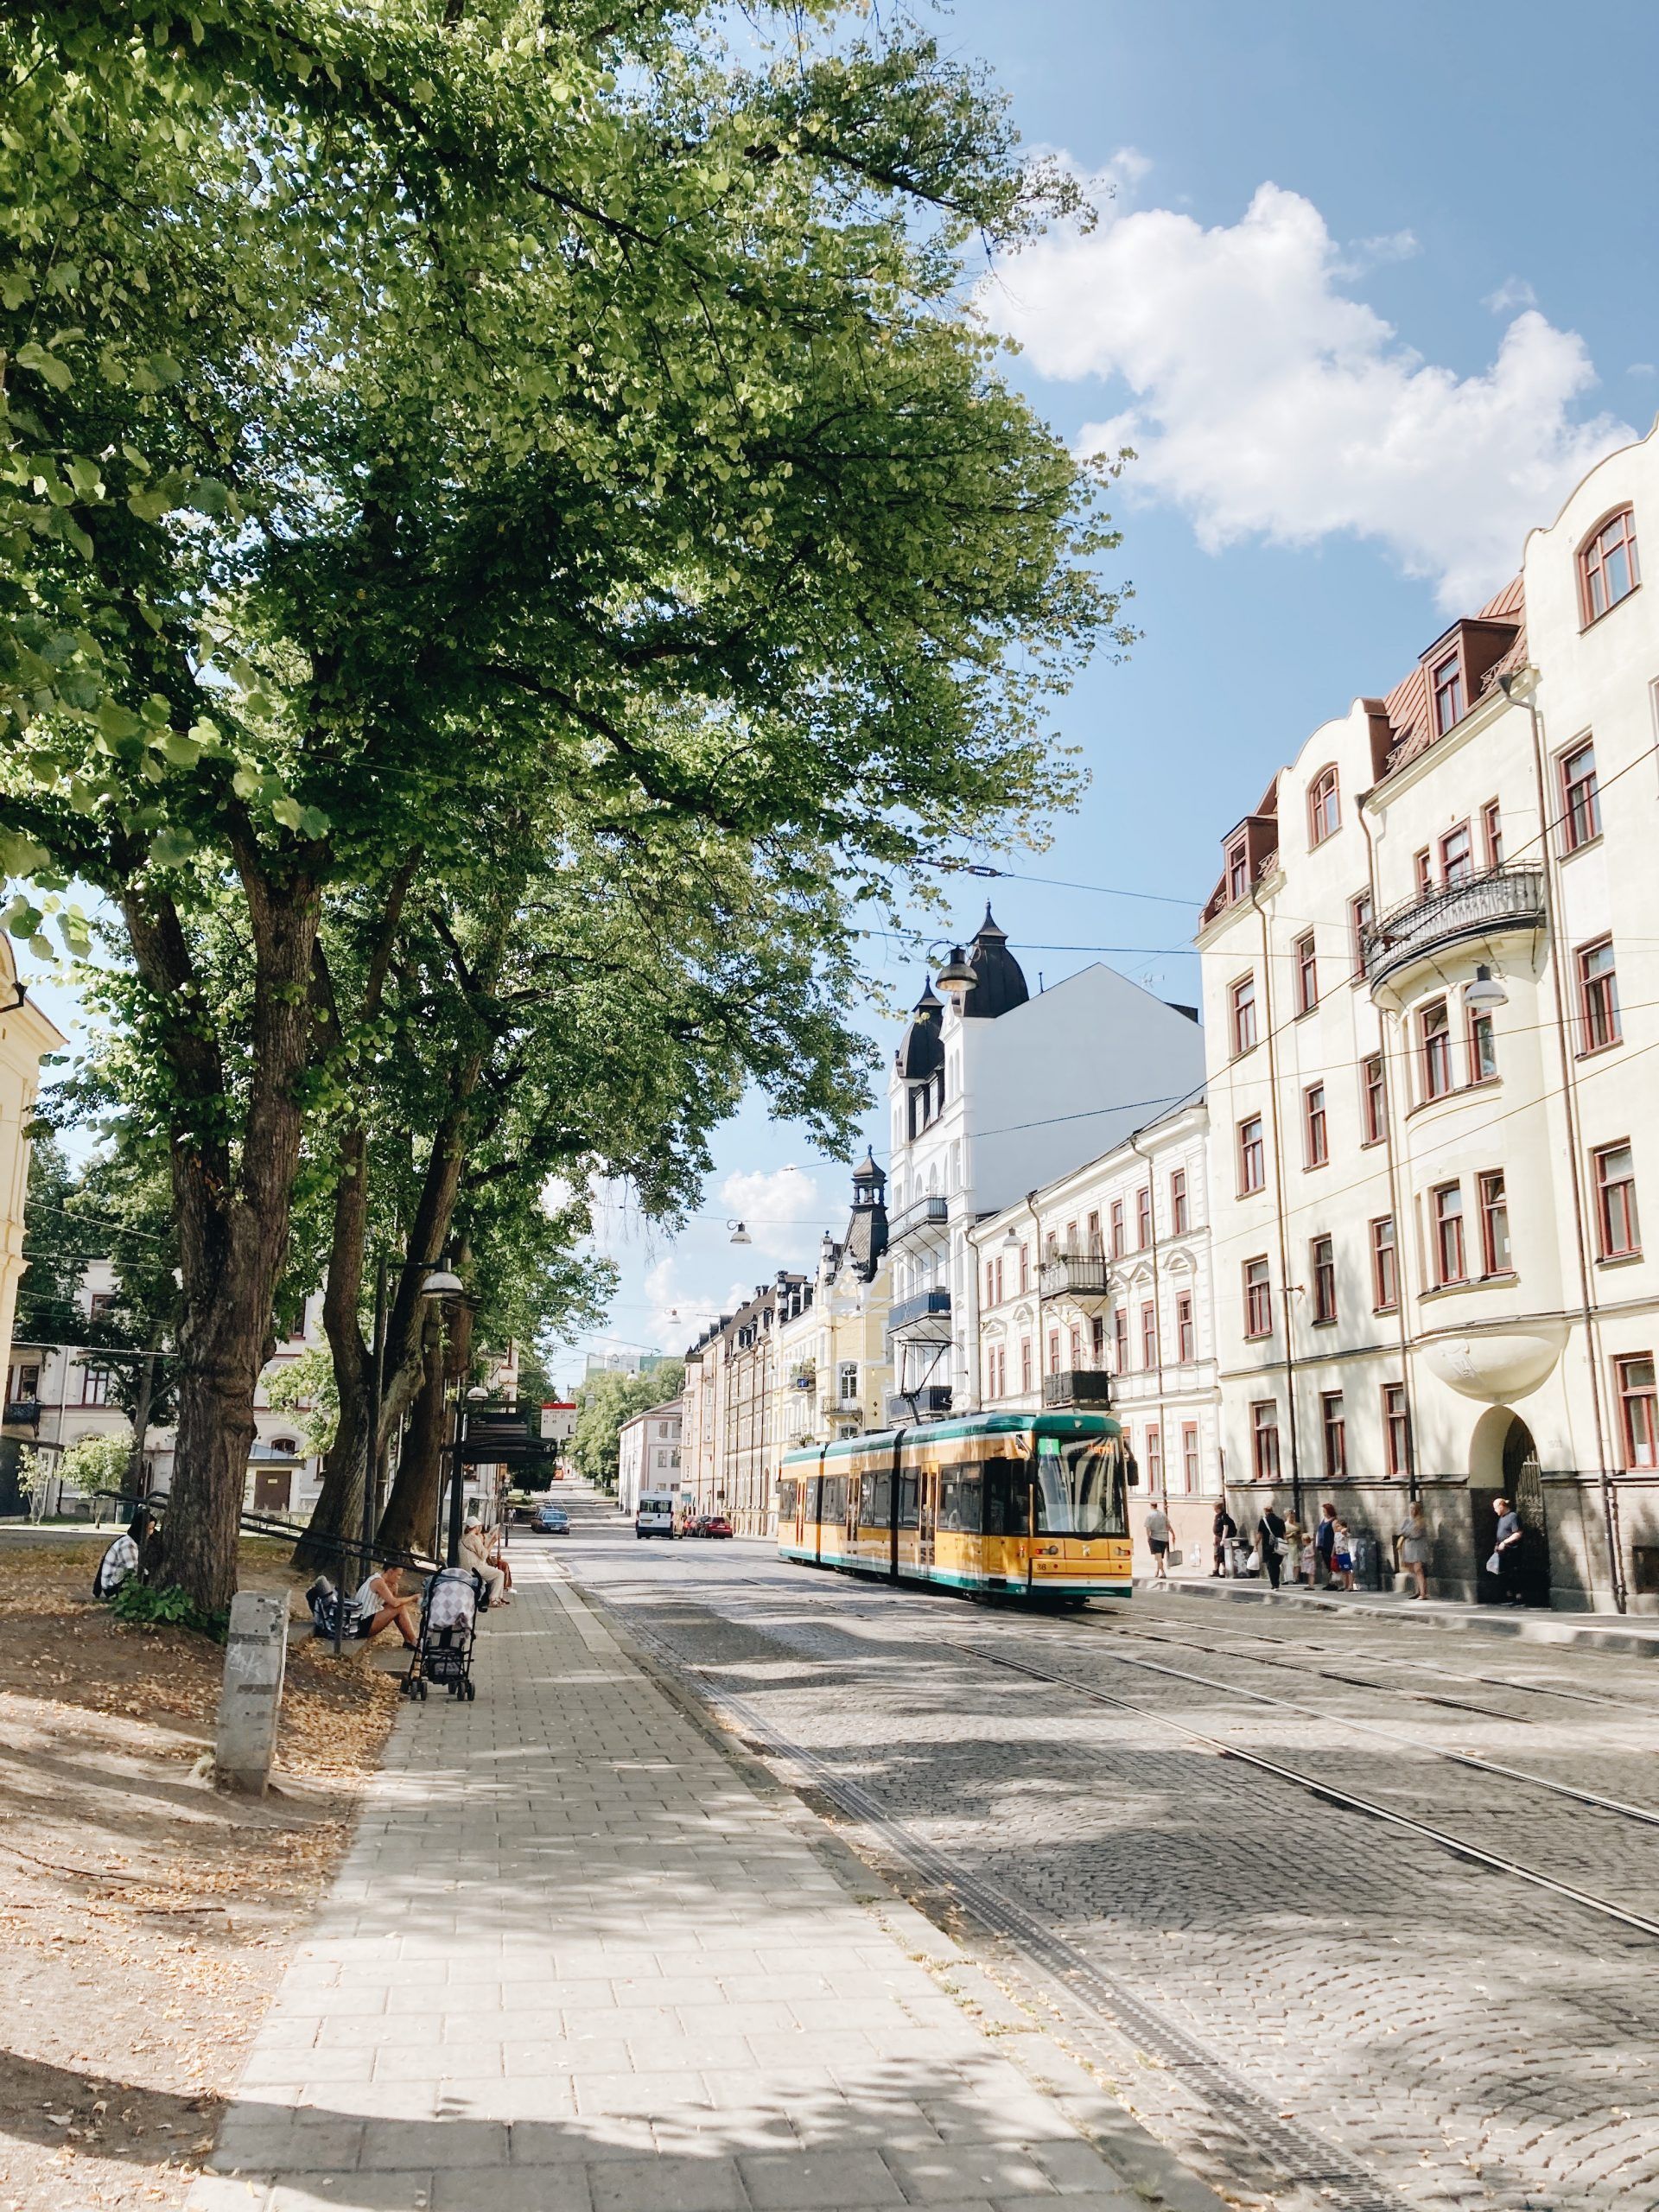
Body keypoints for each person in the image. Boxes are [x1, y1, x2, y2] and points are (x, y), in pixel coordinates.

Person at [353, 1564, 421, 1647]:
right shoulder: (378, 1582)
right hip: (362, 1623)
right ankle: (414, 1641)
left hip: (367, 1620)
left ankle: (409, 1640)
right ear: (391, 1572)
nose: (399, 1578)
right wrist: (413, 1598)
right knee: (399, 1607)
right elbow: (395, 1603)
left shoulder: (382, 1582)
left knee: (399, 1608)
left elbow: (388, 1605)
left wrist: (394, 1592)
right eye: (398, 1575)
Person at [93, 1507, 153, 1599]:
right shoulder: (128, 1544)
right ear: (140, 1528)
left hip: (116, 1579)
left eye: (152, 1528)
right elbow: (133, 1568)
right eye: (149, 1528)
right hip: (111, 1586)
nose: (151, 1532)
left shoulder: (131, 1540)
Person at [460, 1518, 509, 1607]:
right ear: (476, 1527)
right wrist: (493, 1541)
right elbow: (484, 1555)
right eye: (480, 1526)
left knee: (495, 1573)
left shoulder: (466, 1537)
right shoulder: (473, 1538)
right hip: (475, 1568)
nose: (481, 1527)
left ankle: (498, 1598)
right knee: (500, 1574)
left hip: (470, 1566)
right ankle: (493, 1599)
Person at [1492, 1495, 1525, 1605]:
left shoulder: (1513, 1516)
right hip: (1502, 1551)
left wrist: (1505, 1542)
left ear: (1502, 1506)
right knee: (1504, 1574)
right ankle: (1509, 1596)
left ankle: (1519, 1597)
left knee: (1514, 1573)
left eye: (1496, 1508)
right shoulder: (1501, 1518)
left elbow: (1518, 1533)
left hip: (1512, 1550)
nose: (1495, 1510)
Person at [1396, 1500, 1430, 1600]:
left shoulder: (1420, 1521)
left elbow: (1416, 1534)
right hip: (1409, 1548)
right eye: (1411, 1508)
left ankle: (1423, 1593)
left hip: (1418, 1548)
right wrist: (1407, 1532)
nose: (1412, 1510)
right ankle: (1417, 1591)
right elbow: (1402, 1531)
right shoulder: (1407, 1520)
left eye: (1414, 1508)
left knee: (1418, 1569)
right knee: (1413, 1571)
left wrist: (1407, 1533)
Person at [1256, 1499, 1287, 1590]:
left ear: (1266, 1512)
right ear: (1272, 1511)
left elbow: (1260, 1534)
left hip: (1268, 1546)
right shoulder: (1281, 1521)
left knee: (1270, 1565)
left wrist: (1256, 1545)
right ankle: (1276, 1583)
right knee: (1277, 1564)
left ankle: (1274, 1584)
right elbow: (1284, 1534)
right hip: (1279, 1546)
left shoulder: (1263, 1521)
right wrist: (1285, 1545)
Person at [1143, 1497, 1172, 1583]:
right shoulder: (1163, 1515)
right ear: (1157, 1506)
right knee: (1159, 1557)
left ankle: (1163, 1573)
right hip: (1164, 1538)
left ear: (1151, 1506)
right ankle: (1157, 1571)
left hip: (1155, 1538)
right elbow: (1168, 1526)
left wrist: (1148, 1537)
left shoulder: (1150, 1516)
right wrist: (1173, 1534)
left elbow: (1148, 1528)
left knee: (1159, 1557)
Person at [1314, 1501, 1338, 1587]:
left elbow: (1336, 1536)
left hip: (1330, 1546)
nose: (1323, 1513)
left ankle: (1333, 1583)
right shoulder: (1324, 1520)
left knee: (1332, 1565)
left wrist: (1334, 1549)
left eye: (1325, 1511)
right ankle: (1330, 1582)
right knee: (1327, 1565)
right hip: (1323, 1547)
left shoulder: (1334, 1521)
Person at [1211, 1502, 1236, 1578]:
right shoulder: (1217, 1516)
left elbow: (1226, 1527)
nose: (1214, 1510)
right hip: (1217, 1537)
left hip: (1221, 1537)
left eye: (1215, 1508)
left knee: (1221, 1555)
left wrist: (1223, 1539)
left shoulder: (1224, 1516)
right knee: (1216, 1555)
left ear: (1218, 1508)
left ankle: (1225, 1571)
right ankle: (1216, 1570)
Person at [1330, 1516, 1355, 1592]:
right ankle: (1345, 1585)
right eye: (1336, 1526)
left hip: (1345, 1554)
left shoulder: (1344, 1534)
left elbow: (1346, 1531)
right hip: (1339, 1554)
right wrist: (1333, 1552)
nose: (1337, 1528)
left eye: (1339, 1526)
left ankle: (1350, 1586)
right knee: (1343, 1571)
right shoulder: (1336, 1534)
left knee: (1348, 1570)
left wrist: (1344, 1529)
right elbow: (1335, 1544)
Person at [1282, 1510, 1305, 1587]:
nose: (1292, 1517)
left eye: (1293, 1516)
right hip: (1288, 1545)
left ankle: (1295, 1578)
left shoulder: (1297, 1525)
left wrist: (1298, 1535)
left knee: (1296, 1563)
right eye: (1290, 1516)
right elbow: (1284, 1536)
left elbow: (1301, 1535)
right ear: (1287, 1516)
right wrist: (1291, 1534)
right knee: (1288, 1563)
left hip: (1295, 1545)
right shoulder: (1284, 1525)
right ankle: (1288, 1579)